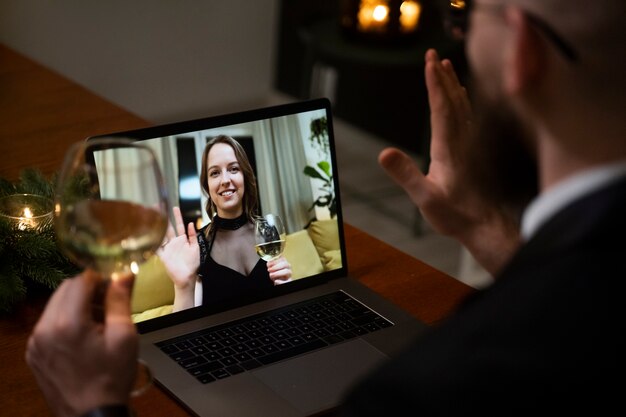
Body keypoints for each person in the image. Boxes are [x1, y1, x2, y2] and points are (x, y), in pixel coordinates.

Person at [25, 0, 626, 415]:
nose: (461, 33)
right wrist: (491, 237)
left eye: (468, 14)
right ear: (206, 189)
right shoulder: (192, 244)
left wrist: (91, 409)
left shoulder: (427, 388)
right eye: (215, 173)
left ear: (521, 48)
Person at [157, 134, 292, 311]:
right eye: (215, 173)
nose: (225, 180)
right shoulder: (198, 245)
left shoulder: (266, 231)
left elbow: (283, 300)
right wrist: (183, 286)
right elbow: (189, 326)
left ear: (244, 175)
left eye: (234, 169)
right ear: (207, 185)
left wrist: (288, 282)